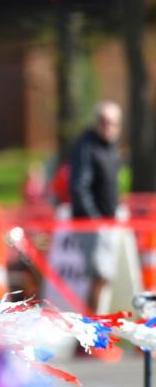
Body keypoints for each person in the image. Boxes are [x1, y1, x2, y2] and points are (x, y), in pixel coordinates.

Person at [68, 101, 122, 313]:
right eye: (103, 122)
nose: (108, 127)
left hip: (108, 221)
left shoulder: (110, 148)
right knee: (99, 275)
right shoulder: (87, 146)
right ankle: (87, 334)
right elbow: (80, 185)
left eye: (112, 123)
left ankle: (91, 328)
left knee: (103, 276)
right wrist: (94, 219)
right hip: (91, 223)